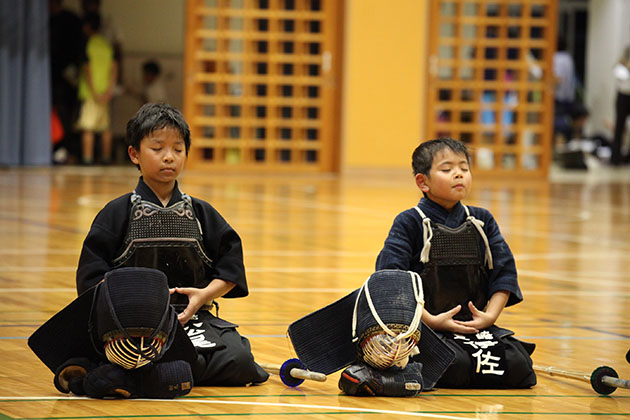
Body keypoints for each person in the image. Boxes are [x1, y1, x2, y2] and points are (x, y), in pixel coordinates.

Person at [75, 103, 269, 387]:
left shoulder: (201, 213)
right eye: (158, 149)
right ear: (134, 154)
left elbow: (231, 266)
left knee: (240, 362)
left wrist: (203, 296)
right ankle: (154, 373)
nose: (169, 158)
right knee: (132, 352)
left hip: (190, 319)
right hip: (132, 324)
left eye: (178, 150)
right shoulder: (116, 213)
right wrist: (134, 305)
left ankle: (138, 378)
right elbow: (91, 278)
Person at [375, 137, 536, 389]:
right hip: (425, 326)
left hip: (474, 328)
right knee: (454, 365)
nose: (459, 175)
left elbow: (504, 273)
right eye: (447, 169)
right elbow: (392, 280)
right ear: (423, 182)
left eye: (464, 168)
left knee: (520, 367)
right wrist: (429, 320)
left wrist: (489, 317)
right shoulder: (409, 221)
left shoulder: (482, 220)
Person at [76, 12, 117, 164]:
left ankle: (87, 159)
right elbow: (114, 68)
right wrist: (109, 89)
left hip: (91, 93)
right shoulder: (107, 45)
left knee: (88, 128)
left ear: (87, 27)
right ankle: (106, 158)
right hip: (106, 92)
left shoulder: (88, 44)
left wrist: (94, 92)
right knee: (105, 127)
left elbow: (87, 70)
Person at [553, 37, 576, 145]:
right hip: (568, 98)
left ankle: (558, 147)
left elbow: (558, 78)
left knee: (557, 126)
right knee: (566, 125)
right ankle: (566, 147)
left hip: (558, 97)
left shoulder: (556, 58)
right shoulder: (568, 59)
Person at [612, 46, 630, 166]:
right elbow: (623, 78)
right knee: (619, 127)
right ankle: (615, 158)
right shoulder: (620, 66)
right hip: (623, 97)